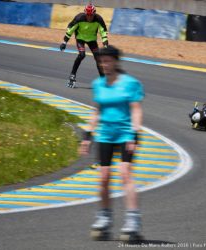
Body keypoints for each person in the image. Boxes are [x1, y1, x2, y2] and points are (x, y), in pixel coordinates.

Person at [79, 45, 145, 240]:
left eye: (107, 60)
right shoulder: (98, 84)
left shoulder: (130, 84)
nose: (104, 64)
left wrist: (135, 135)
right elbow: (96, 110)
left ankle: (133, 220)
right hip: (105, 135)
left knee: (125, 173)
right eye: (101, 61)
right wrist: (87, 136)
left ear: (116, 61)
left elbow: (136, 110)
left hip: (125, 134)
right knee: (104, 177)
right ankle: (104, 217)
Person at [59, 3, 109, 88]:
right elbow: (71, 30)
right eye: (88, 15)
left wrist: (105, 41)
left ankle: (103, 79)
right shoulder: (79, 18)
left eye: (91, 15)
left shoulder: (98, 19)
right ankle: (72, 74)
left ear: (94, 14)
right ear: (85, 14)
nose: (89, 17)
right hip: (80, 38)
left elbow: (103, 30)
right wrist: (64, 42)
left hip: (92, 39)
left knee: (98, 58)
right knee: (82, 55)